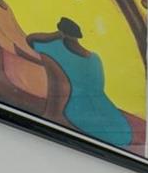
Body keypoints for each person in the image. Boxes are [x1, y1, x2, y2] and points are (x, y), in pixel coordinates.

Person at [26, 17, 132, 147]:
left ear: (62, 33)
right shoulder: (94, 58)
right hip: (97, 106)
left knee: (116, 135)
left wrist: (55, 35)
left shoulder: (51, 48)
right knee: (120, 134)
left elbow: (30, 39)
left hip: (78, 106)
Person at [0, 0, 49, 114]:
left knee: (41, 63)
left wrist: (29, 46)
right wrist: (18, 51)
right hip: (7, 48)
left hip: (17, 43)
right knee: (33, 69)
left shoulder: (6, 6)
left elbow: (17, 29)